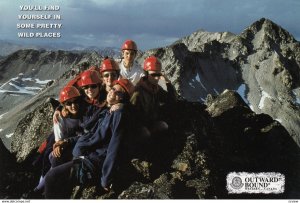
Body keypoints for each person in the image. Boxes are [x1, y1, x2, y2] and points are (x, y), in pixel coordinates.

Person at [43, 79, 135, 199]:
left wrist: (106, 178)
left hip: (93, 162)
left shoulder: (119, 114)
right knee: (56, 159)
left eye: (119, 93)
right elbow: (91, 134)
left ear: (123, 99)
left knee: (51, 177)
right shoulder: (108, 111)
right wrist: (67, 141)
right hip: (85, 154)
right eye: (113, 89)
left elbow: (115, 145)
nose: (113, 93)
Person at [34, 86, 84, 193]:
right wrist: (59, 146)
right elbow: (58, 140)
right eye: (69, 103)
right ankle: (41, 186)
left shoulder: (84, 113)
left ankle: (43, 187)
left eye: (76, 101)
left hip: (76, 142)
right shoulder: (60, 118)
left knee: (53, 157)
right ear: (64, 105)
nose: (73, 105)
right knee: (51, 156)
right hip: (65, 142)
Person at [131, 55, 177, 138]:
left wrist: (168, 82)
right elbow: (131, 114)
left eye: (158, 74)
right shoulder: (138, 91)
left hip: (151, 123)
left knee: (164, 126)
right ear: (146, 74)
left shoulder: (156, 89)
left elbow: (171, 99)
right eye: (153, 75)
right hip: (139, 126)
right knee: (146, 133)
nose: (156, 78)